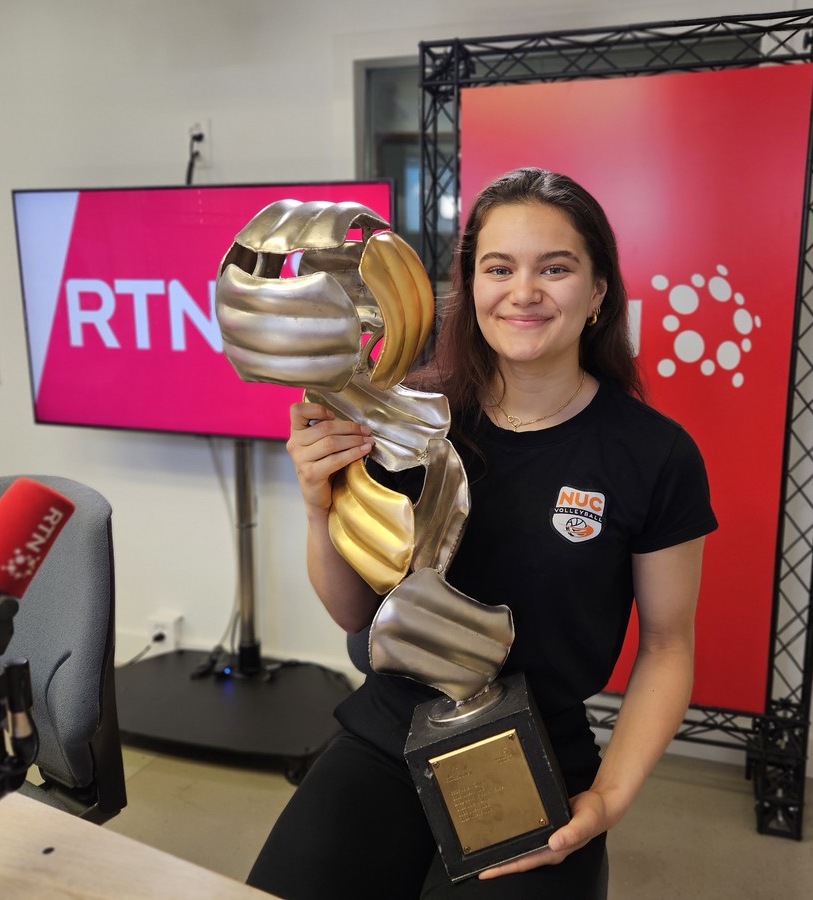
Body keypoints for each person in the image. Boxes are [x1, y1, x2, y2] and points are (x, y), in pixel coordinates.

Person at [247, 167, 717, 899]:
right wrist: (317, 505)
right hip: (388, 733)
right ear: (471, 289)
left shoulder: (653, 455)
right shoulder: (407, 418)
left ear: (598, 292)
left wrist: (607, 801)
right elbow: (355, 612)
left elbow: (666, 648)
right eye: (499, 269)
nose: (523, 292)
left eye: (554, 269)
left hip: (533, 752)